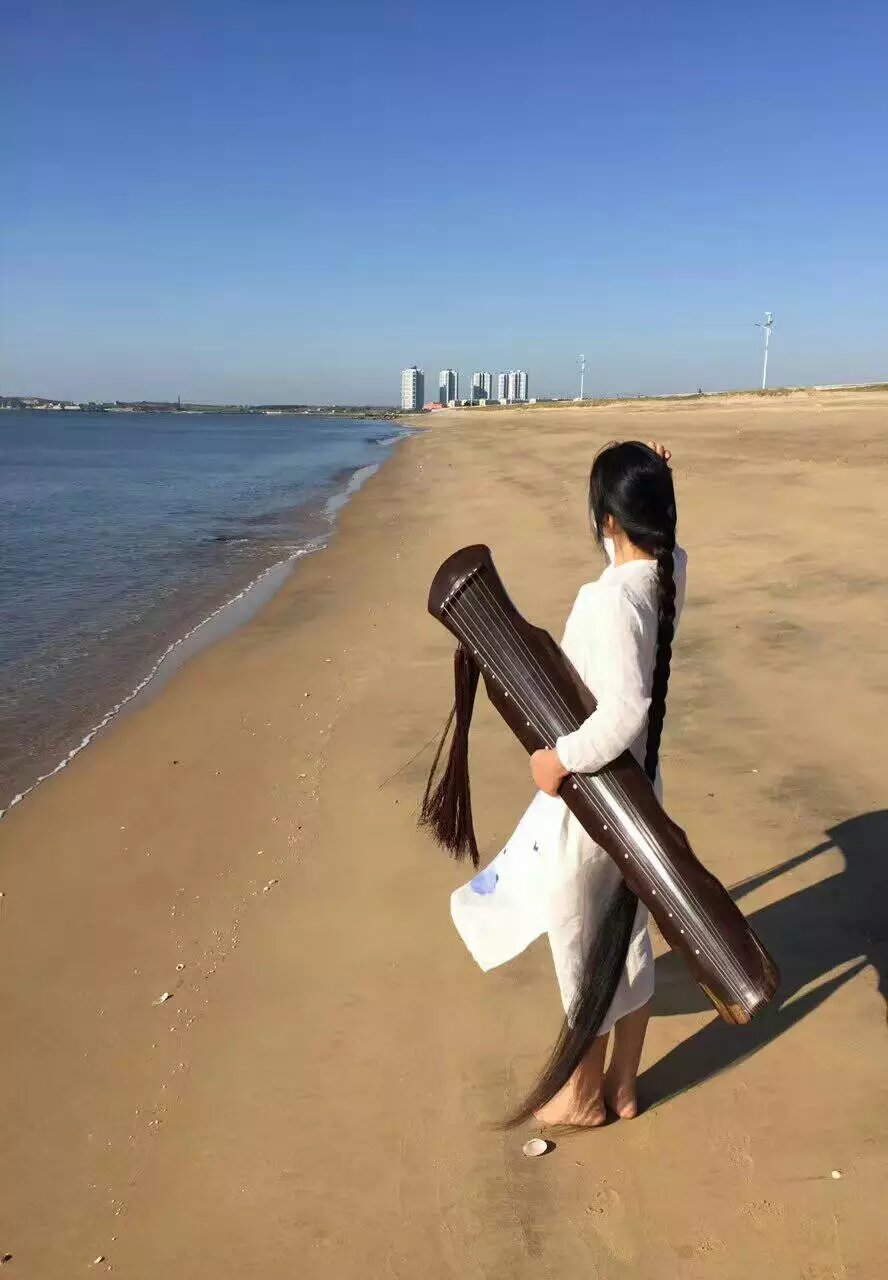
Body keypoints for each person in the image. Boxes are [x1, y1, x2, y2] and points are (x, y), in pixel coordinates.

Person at [446, 440, 687, 1126]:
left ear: (606, 521)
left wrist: (558, 760)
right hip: (639, 790)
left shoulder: (612, 600)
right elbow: (663, 556)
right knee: (626, 935)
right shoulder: (665, 576)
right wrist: (661, 483)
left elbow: (623, 710)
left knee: (582, 941)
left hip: (599, 798)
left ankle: (583, 1096)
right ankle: (624, 1085)